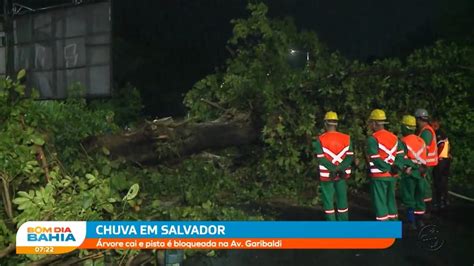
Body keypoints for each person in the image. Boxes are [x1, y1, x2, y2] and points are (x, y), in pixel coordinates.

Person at [312, 111, 354, 221]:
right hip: (342, 174)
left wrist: (333, 169)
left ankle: (332, 227)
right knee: (342, 200)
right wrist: (340, 168)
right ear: (336, 124)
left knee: (328, 201)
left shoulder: (320, 139)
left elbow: (321, 158)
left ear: (325, 123)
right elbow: (350, 157)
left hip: (327, 175)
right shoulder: (347, 138)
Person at [366, 109, 405, 221]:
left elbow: (375, 158)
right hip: (392, 176)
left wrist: (387, 168)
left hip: (379, 176)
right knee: (391, 201)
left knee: (380, 203)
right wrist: (396, 167)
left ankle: (384, 231)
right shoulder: (394, 137)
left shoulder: (372, 139)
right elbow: (401, 154)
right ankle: (393, 226)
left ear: (374, 123)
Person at [399, 115, 428, 228]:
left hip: (409, 173)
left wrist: (411, 167)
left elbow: (402, 158)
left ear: (405, 127)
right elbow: (424, 158)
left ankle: (411, 221)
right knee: (419, 197)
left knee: (408, 197)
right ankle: (420, 221)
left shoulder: (402, 141)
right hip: (421, 173)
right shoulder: (421, 141)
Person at [414, 109, 438, 208]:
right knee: (424, 183)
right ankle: (426, 205)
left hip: (427, 163)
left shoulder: (426, 131)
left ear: (419, 119)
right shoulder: (425, 130)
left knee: (425, 184)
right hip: (428, 162)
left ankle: (426, 206)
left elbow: (424, 149)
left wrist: (422, 164)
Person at [432, 119, 451, 209]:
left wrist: (438, 156)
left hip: (442, 160)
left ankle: (440, 201)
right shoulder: (442, 133)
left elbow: (442, 145)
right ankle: (444, 200)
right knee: (443, 181)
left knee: (439, 181)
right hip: (445, 159)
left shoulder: (438, 134)